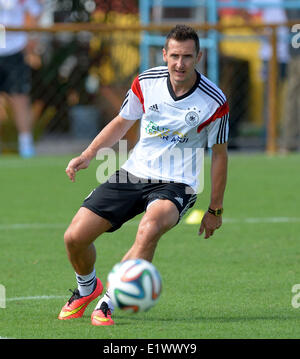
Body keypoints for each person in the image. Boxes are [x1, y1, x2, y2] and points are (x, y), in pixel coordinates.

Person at [58, 25, 229, 326]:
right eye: (174, 55)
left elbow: (219, 155)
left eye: (187, 57)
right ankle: (87, 287)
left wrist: (215, 208)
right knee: (74, 237)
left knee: (149, 228)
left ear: (199, 57)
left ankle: (109, 301)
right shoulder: (145, 82)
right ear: (164, 54)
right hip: (134, 174)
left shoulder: (214, 101)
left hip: (178, 184)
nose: (180, 63)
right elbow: (122, 123)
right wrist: (87, 155)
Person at [0, 0, 42, 158]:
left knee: (20, 98)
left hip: (15, 50)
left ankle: (26, 145)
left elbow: (35, 12)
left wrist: (31, 39)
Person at [280, 3, 300, 152]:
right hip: (296, 53)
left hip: (295, 53)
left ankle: (289, 141)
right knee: (293, 96)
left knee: (292, 96)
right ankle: (289, 141)